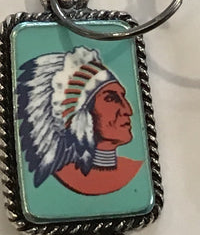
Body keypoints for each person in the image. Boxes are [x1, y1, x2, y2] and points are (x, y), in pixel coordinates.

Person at [16, 45, 143, 196]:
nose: (128, 110)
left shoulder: (134, 168)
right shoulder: (65, 175)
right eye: (110, 99)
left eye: (123, 97)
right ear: (79, 113)